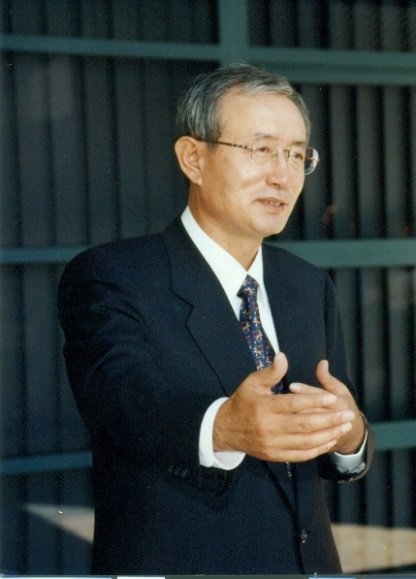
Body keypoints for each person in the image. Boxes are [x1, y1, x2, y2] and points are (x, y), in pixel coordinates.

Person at [58, 63, 372, 575]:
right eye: (261, 149)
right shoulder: (115, 275)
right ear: (193, 158)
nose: (282, 175)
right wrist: (224, 428)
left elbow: (336, 432)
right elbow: (121, 402)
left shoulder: (307, 285)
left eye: (296, 155)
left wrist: (350, 435)